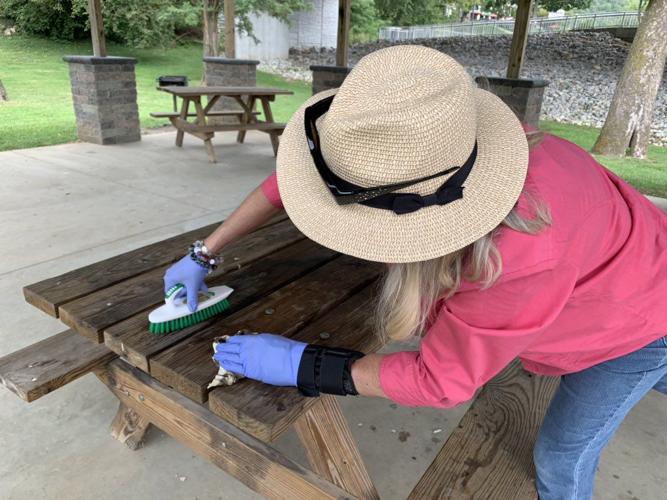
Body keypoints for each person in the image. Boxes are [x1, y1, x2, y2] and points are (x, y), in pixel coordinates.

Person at [163, 45, 667, 499]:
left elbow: (442, 382)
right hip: (634, 252)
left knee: (560, 458)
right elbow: (294, 184)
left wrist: (307, 366)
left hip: (638, 320)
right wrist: (206, 251)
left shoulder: (520, 256)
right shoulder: (453, 149)